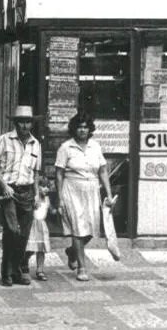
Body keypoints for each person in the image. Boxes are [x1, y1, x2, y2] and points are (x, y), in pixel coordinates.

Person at [0, 105, 42, 287]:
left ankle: (17, 270)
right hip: (8, 191)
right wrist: (3, 185)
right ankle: (6, 272)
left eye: (28, 122)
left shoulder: (36, 144)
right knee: (12, 230)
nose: (25, 126)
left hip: (27, 192)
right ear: (15, 123)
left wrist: (36, 194)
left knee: (24, 235)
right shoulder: (4, 140)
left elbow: (36, 172)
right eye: (21, 122)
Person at [55, 113, 113, 282]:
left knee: (91, 229)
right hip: (72, 189)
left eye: (85, 127)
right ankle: (82, 267)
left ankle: (72, 252)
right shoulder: (66, 147)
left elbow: (103, 171)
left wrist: (108, 194)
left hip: (92, 189)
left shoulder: (95, 146)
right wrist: (60, 198)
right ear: (74, 129)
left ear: (90, 129)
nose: (82, 130)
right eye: (79, 127)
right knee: (78, 229)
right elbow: (59, 174)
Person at [25, 177, 51, 281]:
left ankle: (40, 270)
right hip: (33, 226)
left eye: (48, 187)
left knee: (41, 249)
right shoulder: (34, 199)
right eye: (43, 186)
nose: (46, 189)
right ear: (37, 187)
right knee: (29, 249)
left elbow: (47, 210)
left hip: (42, 226)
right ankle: (24, 265)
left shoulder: (47, 199)